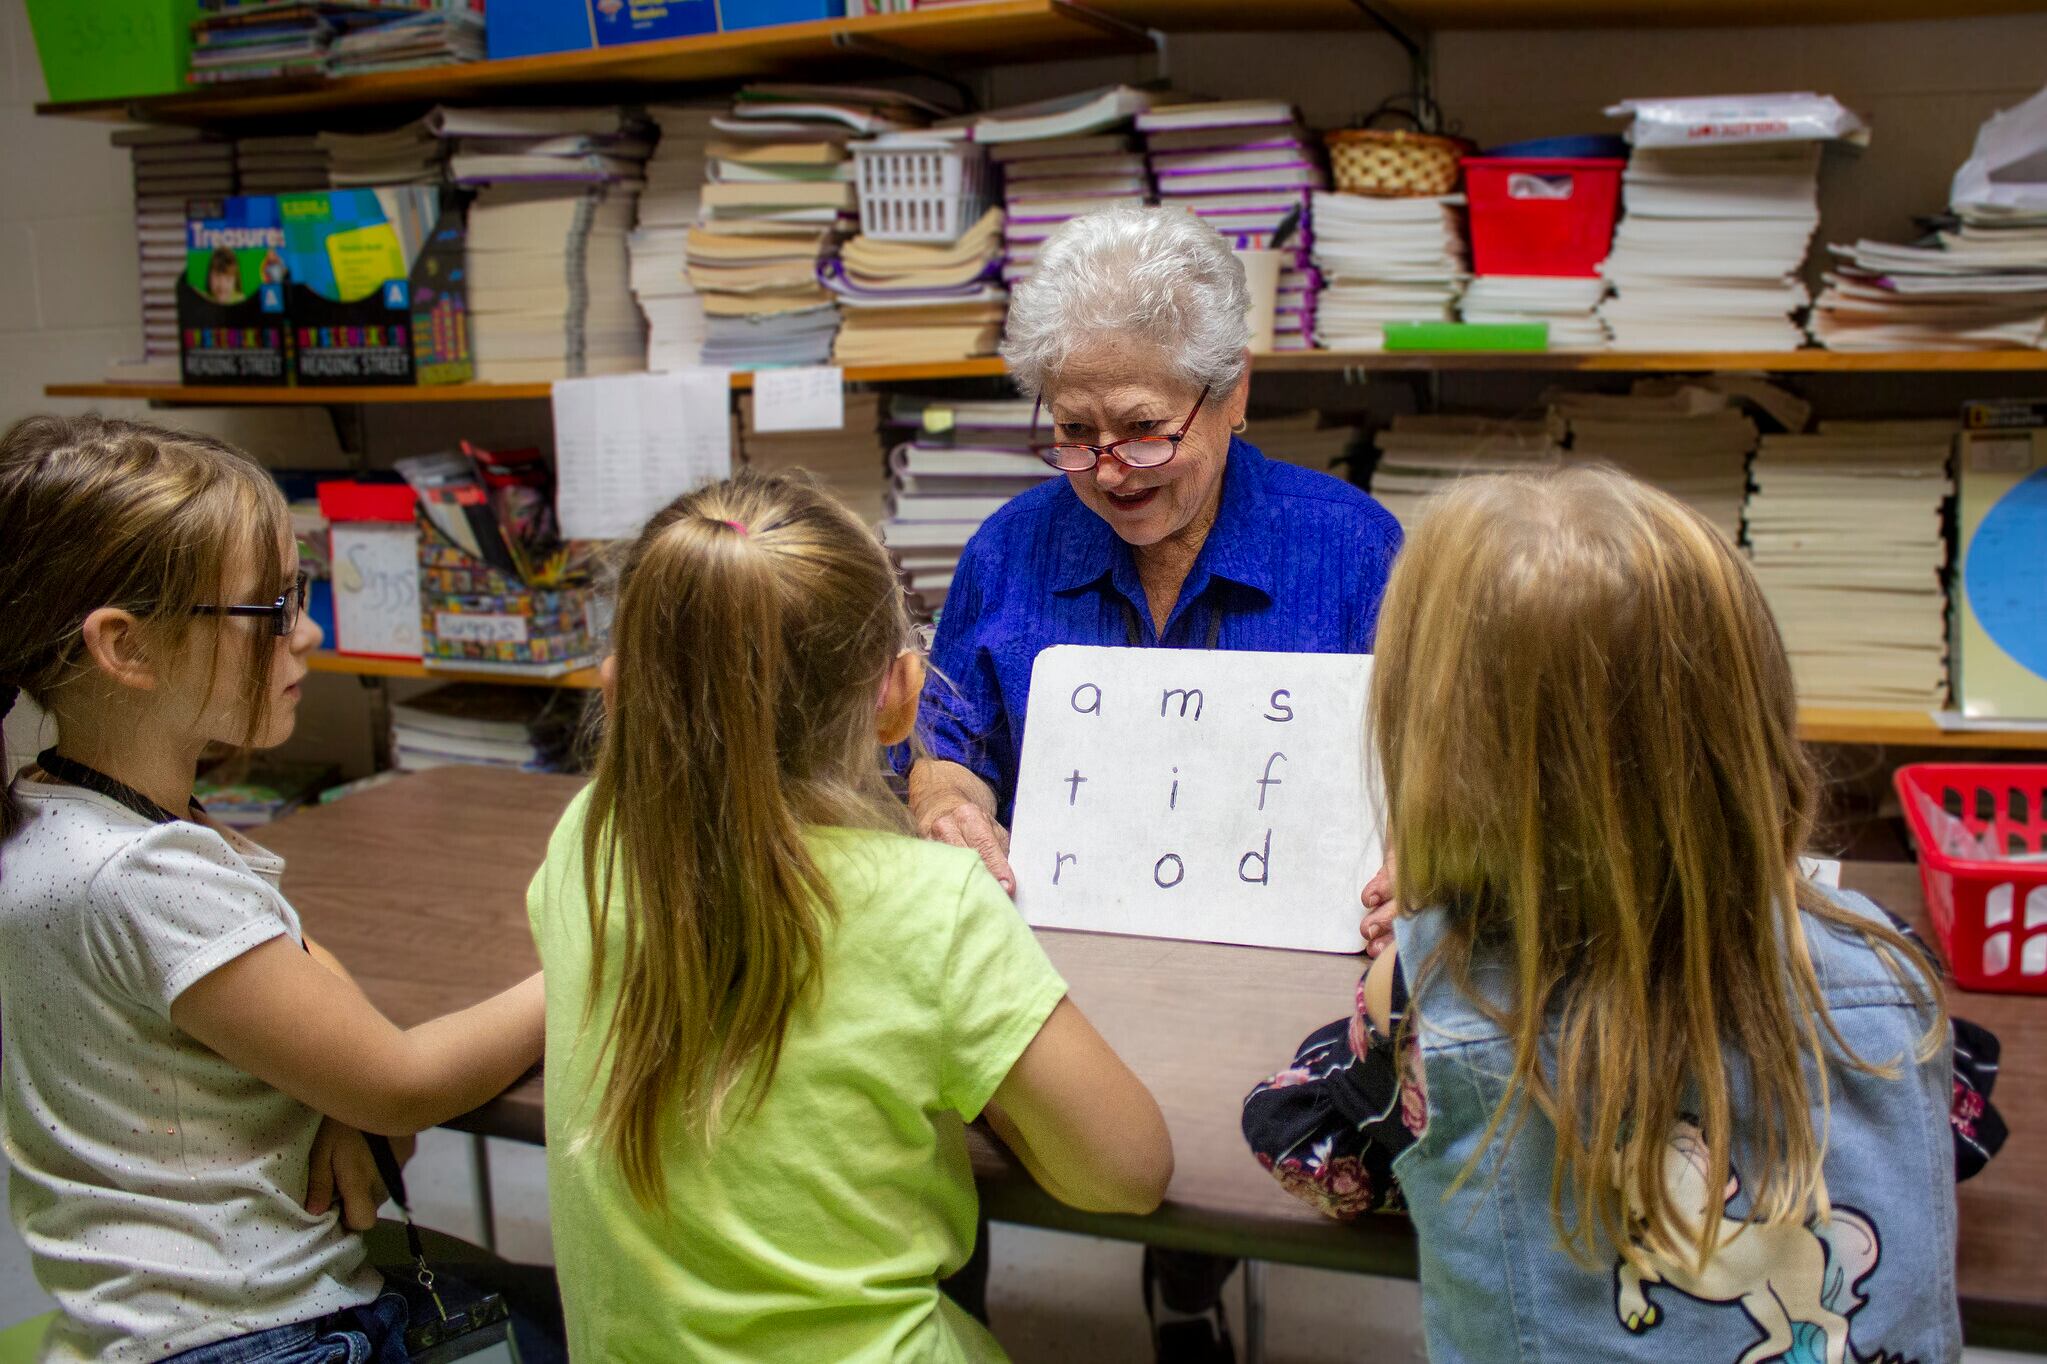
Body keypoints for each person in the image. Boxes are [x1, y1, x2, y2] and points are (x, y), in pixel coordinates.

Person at [1244, 466, 2005, 1363]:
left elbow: (1309, 1153)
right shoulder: (1884, 962)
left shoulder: (1425, 996)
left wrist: (1389, 987)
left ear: (1436, 748)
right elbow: (1951, 1134)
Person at [904, 203, 1402, 1363]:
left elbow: (1436, 768)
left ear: (1232, 393)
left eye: (1141, 429)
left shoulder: (1355, 547)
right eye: (1072, 432)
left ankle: (1190, 1279)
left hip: (1286, 972)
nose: (1108, 469)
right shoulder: (1011, 546)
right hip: (1058, 965)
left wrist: (1414, 851)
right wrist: (945, 803)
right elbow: (943, 736)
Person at [528, 469, 1173, 1362]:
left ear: (620, 684)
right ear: (901, 692)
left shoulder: (586, 842)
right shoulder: (932, 907)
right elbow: (1129, 1174)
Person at [0, 415, 551, 1361]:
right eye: (272, 610)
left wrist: (342, 1087)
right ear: (126, 649)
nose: (309, 632)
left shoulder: (74, 813)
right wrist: (592, 962)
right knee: (577, 1314)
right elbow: (405, 1082)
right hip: (263, 1337)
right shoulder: (140, 874)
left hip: (159, 1325)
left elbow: (305, 974)